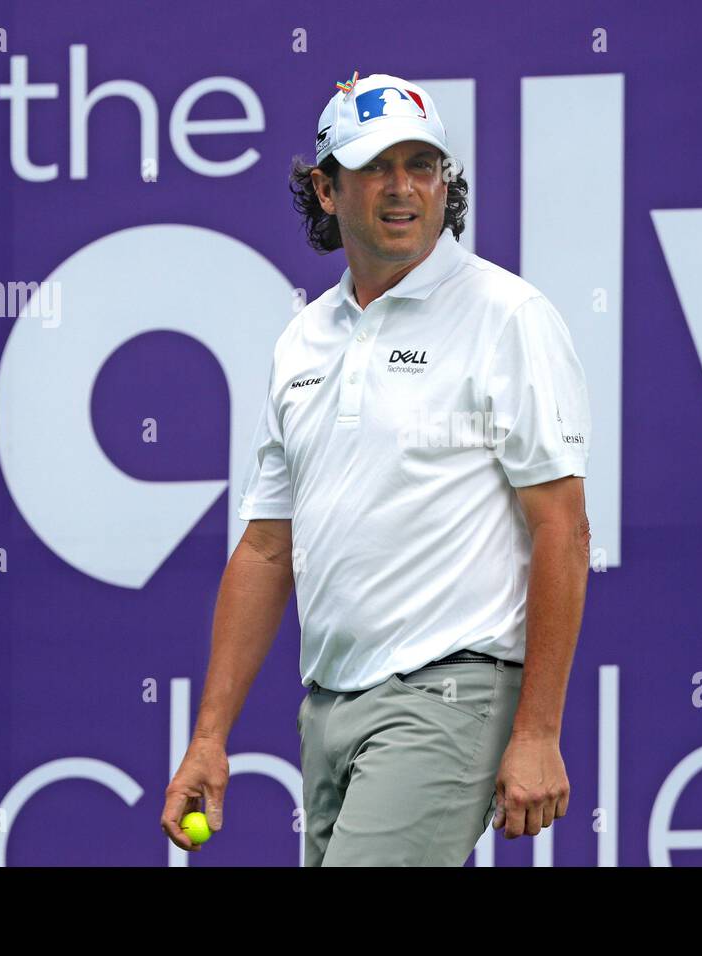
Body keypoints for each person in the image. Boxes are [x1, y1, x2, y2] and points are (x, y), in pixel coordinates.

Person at [161, 72, 593, 866]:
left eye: (422, 165)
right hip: (326, 713)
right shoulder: (303, 341)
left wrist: (537, 731)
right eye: (376, 167)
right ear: (326, 190)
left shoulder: (508, 317)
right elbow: (264, 549)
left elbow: (562, 528)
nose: (404, 189)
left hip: (449, 697)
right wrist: (209, 739)